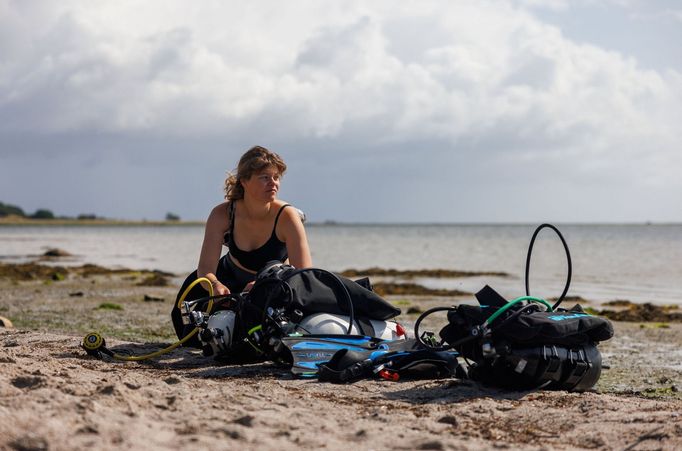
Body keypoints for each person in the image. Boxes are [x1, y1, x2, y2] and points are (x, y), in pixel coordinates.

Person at [172, 146, 312, 344]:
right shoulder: (222, 215)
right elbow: (205, 269)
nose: (273, 183)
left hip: (273, 285)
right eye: (264, 177)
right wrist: (215, 285)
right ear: (244, 181)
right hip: (227, 281)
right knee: (194, 335)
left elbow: (303, 273)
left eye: (276, 177)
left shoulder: (287, 216)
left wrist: (265, 285)